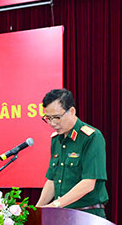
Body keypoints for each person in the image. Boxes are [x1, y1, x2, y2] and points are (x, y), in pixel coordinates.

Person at [36, 89, 108, 218]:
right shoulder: (56, 140)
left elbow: (88, 183)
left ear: (72, 111)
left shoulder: (91, 137)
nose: (52, 123)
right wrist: (36, 210)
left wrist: (55, 205)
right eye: (48, 118)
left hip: (88, 216)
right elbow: (52, 181)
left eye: (57, 118)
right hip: (62, 215)